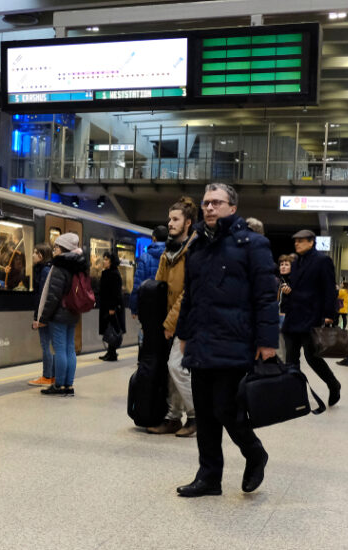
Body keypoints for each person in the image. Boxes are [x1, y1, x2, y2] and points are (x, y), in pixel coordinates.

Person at [174, 183, 278, 498]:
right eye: (206, 203)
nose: (209, 207)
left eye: (216, 202)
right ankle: (209, 477)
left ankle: (254, 452)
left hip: (235, 340)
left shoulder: (254, 244)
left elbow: (265, 297)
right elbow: (189, 295)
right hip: (202, 340)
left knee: (226, 409)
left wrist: (267, 341)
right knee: (204, 413)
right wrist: (183, 332)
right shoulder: (198, 246)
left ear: (232, 208)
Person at [148, 196, 198, 437]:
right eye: (169, 219)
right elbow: (159, 287)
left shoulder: (195, 251)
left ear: (188, 223)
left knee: (176, 367)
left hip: (190, 320)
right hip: (171, 320)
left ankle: (197, 415)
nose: (170, 223)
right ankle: (173, 417)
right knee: (172, 371)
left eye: (175, 219)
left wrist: (170, 322)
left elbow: (189, 291)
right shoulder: (168, 252)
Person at [279, 230, 342, 406]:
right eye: (295, 241)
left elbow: (330, 289)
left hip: (311, 316)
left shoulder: (323, 261)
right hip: (293, 315)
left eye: (300, 241)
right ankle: (295, 394)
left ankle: (333, 384)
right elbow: (296, 286)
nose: (296, 244)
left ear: (311, 242)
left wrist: (330, 314)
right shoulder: (297, 262)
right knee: (291, 358)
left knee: (312, 356)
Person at [34, 232, 89, 395]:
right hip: (73, 311)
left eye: (56, 247)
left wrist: (43, 318)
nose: (54, 250)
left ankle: (59, 385)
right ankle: (68, 385)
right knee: (69, 348)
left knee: (59, 349)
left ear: (64, 248)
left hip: (59, 314)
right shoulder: (80, 264)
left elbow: (53, 295)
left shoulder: (59, 265)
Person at [28, 243, 55, 387]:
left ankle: (46, 376)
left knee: (45, 345)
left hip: (44, 314)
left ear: (41, 255)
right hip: (50, 313)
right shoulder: (49, 268)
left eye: (34, 252)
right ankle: (52, 376)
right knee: (52, 345)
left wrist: (37, 317)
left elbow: (42, 296)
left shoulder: (44, 271)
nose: (32, 255)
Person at [129, 225, 168, 317]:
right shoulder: (172, 257)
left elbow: (137, 285)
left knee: (146, 330)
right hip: (167, 306)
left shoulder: (145, 258)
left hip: (148, 306)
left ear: (154, 238)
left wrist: (134, 308)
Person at [97, 251, 125, 361]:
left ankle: (112, 353)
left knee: (112, 329)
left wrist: (112, 308)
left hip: (112, 307)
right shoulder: (107, 272)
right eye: (104, 259)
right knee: (109, 328)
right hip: (106, 306)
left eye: (107, 259)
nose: (104, 261)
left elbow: (116, 293)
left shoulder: (114, 274)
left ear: (112, 261)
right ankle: (110, 352)